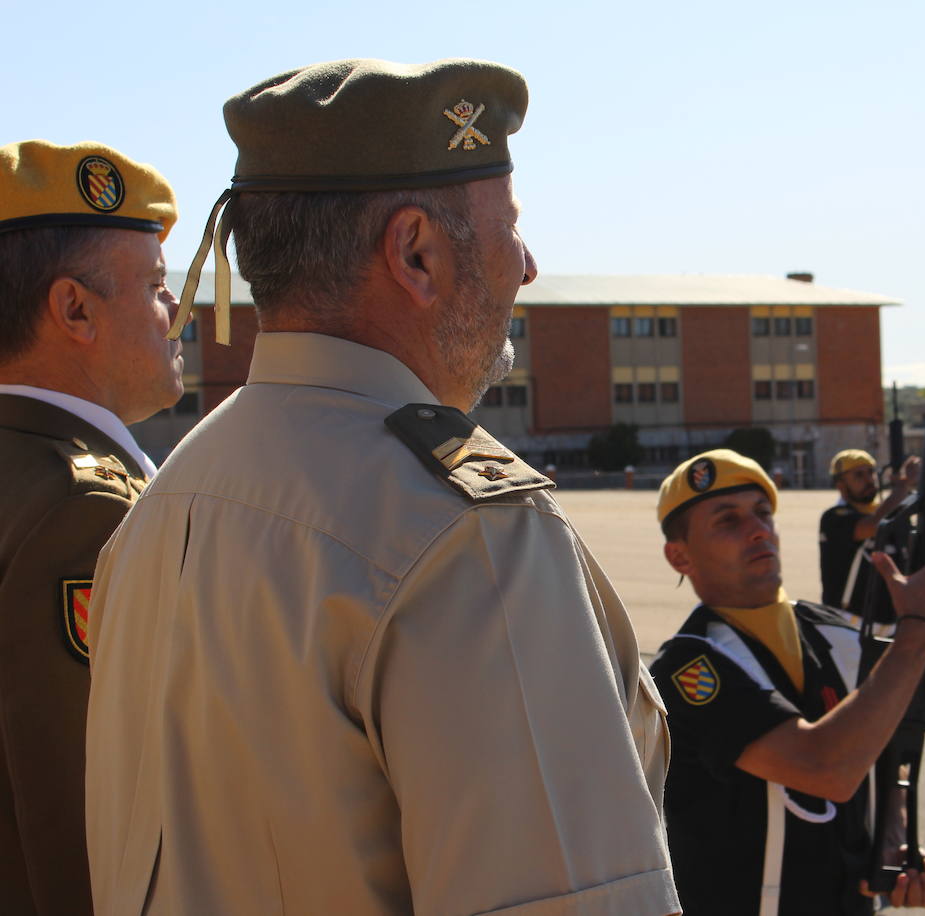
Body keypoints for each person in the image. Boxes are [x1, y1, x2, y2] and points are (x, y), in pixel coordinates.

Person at [85, 59, 679, 916]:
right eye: (509, 228)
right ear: (417, 254)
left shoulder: (165, 500)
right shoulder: (461, 534)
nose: (529, 266)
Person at [649, 449, 925, 915]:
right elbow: (825, 769)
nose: (757, 529)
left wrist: (891, 841)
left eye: (762, 513)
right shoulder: (686, 669)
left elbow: (876, 758)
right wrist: (918, 632)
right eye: (727, 521)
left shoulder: (833, 630)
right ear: (680, 556)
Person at [0, 139, 180, 916]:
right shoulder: (84, 511)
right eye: (156, 286)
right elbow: (81, 821)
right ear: (74, 309)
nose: (175, 313)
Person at [819, 449, 920, 612]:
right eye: (859, 475)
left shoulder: (890, 512)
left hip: (894, 622)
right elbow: (873, 526)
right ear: (841, 485)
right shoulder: (833, 518)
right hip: (846, 622)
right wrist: (903, 486)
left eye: (871, 472)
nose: (869, 479)